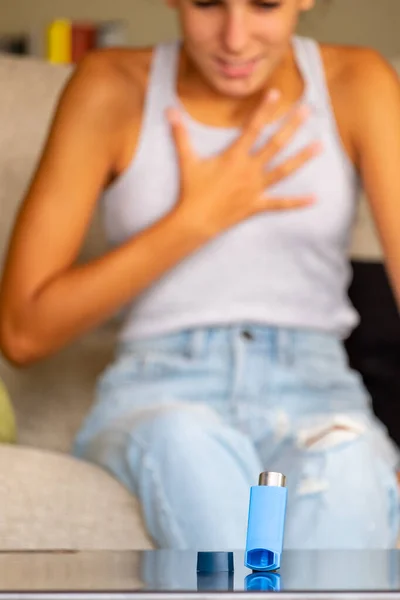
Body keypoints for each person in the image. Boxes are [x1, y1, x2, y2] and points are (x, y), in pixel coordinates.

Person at [0, 0, 400, 550]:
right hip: (160, 389)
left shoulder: (360, 83)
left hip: (319, 390)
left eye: (264, 4)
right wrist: (197, 217)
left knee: (351, 462)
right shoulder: (110, 85)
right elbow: (23, 332)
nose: (234, 38)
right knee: (185, 445)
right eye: (208, 3)